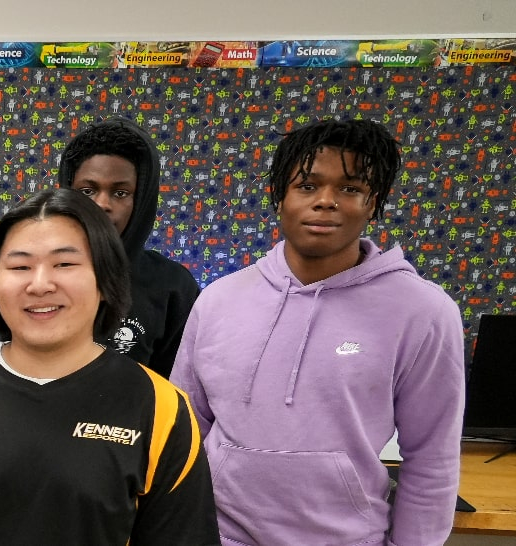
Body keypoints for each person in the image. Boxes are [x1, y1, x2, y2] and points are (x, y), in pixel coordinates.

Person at [170, 119, 463, 546]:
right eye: (307, 185)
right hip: (216, 536)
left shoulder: (424, 312)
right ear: (281, 197)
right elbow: (185, 431)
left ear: (372, 201)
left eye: (349, 188)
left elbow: (432, 458)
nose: (326, 201)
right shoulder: (219, 300)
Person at [0, 188, 216, 546]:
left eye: (64, 264)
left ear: (105, 279)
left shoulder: (160, 408)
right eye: (20, 266)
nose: (40, 284)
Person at [56, 118, 199, 376]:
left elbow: (177, 390)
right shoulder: (33, 277)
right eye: (87, 191)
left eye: (120, 193)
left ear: (141, 199)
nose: (102, 204)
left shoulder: (172, 288)